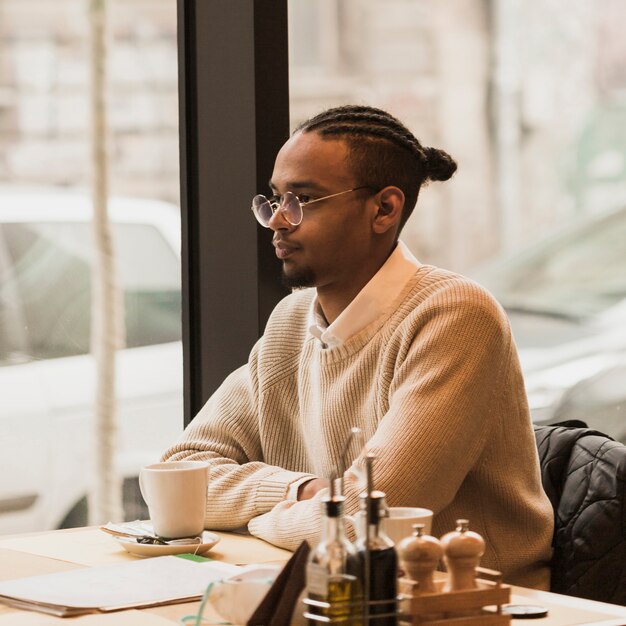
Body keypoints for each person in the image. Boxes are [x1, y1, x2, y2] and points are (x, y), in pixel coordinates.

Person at [162, 104, 553, 589]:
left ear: (384, 209)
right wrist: (300, 489)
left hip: (467, 608)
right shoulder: (290, 322)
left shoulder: (455, 315)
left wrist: (259, 517)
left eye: (302, 199)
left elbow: (364, 525)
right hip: (326, 591)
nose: (278, 221)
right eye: (275, 199)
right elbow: (177, 477)